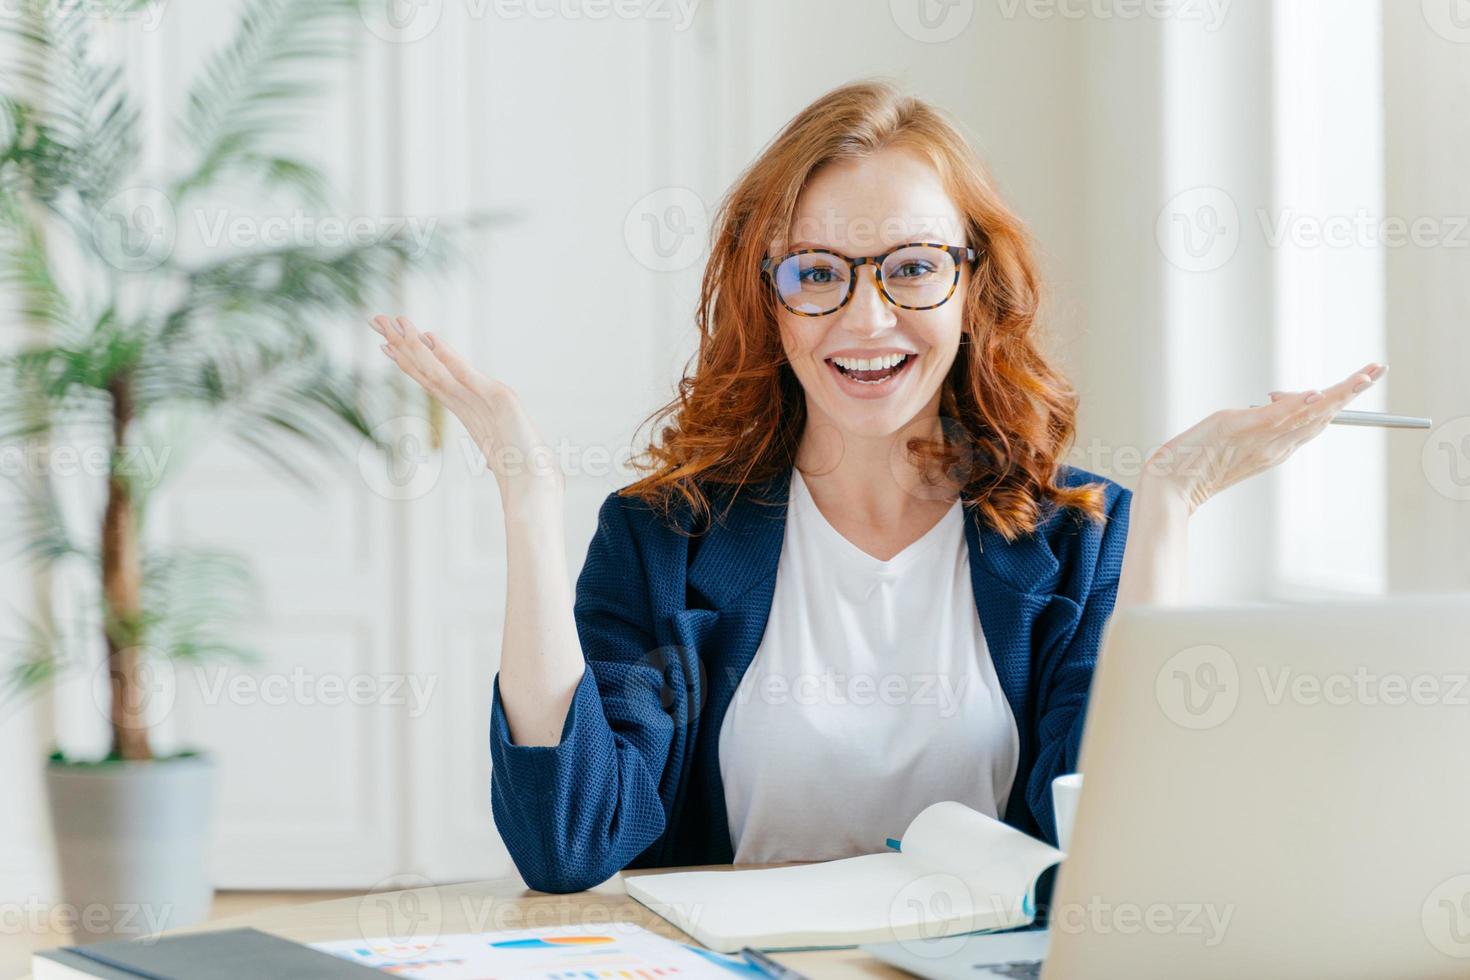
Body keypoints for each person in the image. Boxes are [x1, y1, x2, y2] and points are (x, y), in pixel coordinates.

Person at [368, 80, 1384, 894]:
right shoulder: (664, 536)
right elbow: (566, 844)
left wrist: (1170, 502)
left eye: (909, 266)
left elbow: (1127, 834)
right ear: (766, 300)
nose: (867, 319)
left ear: (974, 284)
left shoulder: (1080, 533)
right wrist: (528, 500)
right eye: (817, 272)